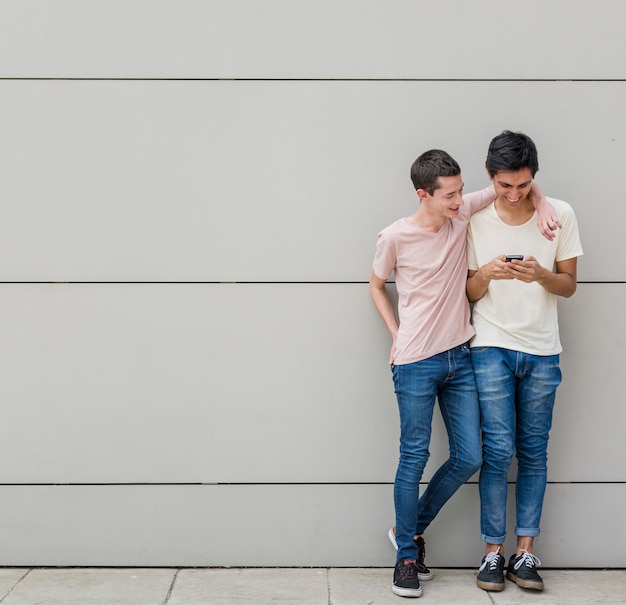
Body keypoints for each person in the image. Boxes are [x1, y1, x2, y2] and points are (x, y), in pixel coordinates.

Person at [369, 149, 558, 598]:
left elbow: (508, 188)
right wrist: (395, 333)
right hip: (414, 361)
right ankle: (407, 559)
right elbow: (376, 285)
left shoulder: (461, 216)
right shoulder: (394, 236)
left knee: (470, 457)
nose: (460, 202)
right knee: (413, 456)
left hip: (461, 358)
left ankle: (407, 528)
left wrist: (545, 201)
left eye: (460, 192)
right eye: (450, 196)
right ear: (424, 194)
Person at [467, 131, 583, 593]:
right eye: (504, 186)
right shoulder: (474, 218)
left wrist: (540, 275)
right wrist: (487, 275)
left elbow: (570, 286)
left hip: (542, 349)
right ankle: (492, 554)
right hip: (491, 345)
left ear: (533, 177)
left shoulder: (561, 215)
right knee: (497, 450)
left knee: (534, 452)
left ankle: (525, 552)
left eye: (523, 185)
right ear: (489, 177)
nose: (514, 195)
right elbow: (469, 294)